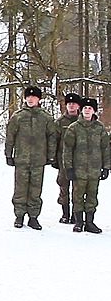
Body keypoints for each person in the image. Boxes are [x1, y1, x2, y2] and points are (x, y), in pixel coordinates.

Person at [5, 86, 57, 230]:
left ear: (38, 99)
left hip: (38, 160)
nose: (30, 99)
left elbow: (52, 137)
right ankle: (19, 216)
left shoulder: (45, 117)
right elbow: (10, 136)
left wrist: (51, 156)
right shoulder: (18, 116)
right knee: (20, 188)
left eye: (33, 97)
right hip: (21, 159)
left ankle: (33, 217)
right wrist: (9, 154)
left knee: (35, 189)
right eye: (28, 97)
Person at [62, 97, 110, 233]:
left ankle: (89, 222)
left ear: (94, 111)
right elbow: (67, 149)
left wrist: (106, 167)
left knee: (92, 197)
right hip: (79, 171)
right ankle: (78, 222)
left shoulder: (100, 128)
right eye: (85, 108)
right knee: (77, 196)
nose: (87, 110)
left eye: (90, 108)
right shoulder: (74, 128)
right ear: (81, 110)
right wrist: (69, 168)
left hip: (95, 170)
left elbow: (105, 148)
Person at [53, 93, 81, 224]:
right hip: (63, 160)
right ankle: (65, 213)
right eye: (69, 104)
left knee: (78, 188)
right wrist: (54, 159)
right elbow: (54, 142)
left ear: (78, 106)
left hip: (80, 160)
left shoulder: (83, 121)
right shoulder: (59, 122)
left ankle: (76, 214)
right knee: (63, 186)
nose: (71, 106)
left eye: (74, 104)